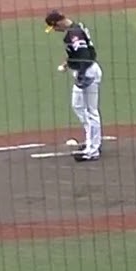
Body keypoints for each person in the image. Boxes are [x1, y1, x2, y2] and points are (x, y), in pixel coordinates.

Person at [44, 9, 103, 162]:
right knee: (78, 105)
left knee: (91, 111)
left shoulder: (74, 34)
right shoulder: (75, 30)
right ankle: (92, 140)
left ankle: (93, 150)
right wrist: (67, 64)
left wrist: (82, 75)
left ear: (58, 23)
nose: (55, 30)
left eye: (54, 27)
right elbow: (78, 53)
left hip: (87, 72)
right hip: (85, 71)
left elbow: (85, 56)